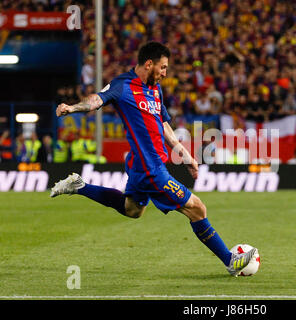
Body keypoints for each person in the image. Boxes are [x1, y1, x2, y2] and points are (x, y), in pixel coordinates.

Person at [50, 41, 257, 276]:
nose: (165, 73)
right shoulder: (123, 85)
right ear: (149, 64)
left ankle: (80, 186)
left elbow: (163, 123)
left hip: (139, 165)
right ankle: (230, 261)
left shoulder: (155, 90)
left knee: (132, 210)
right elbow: (96, 100)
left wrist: (186, 154)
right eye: (163, 67)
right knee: (198, 209)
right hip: (151, 169)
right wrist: (72, 108)